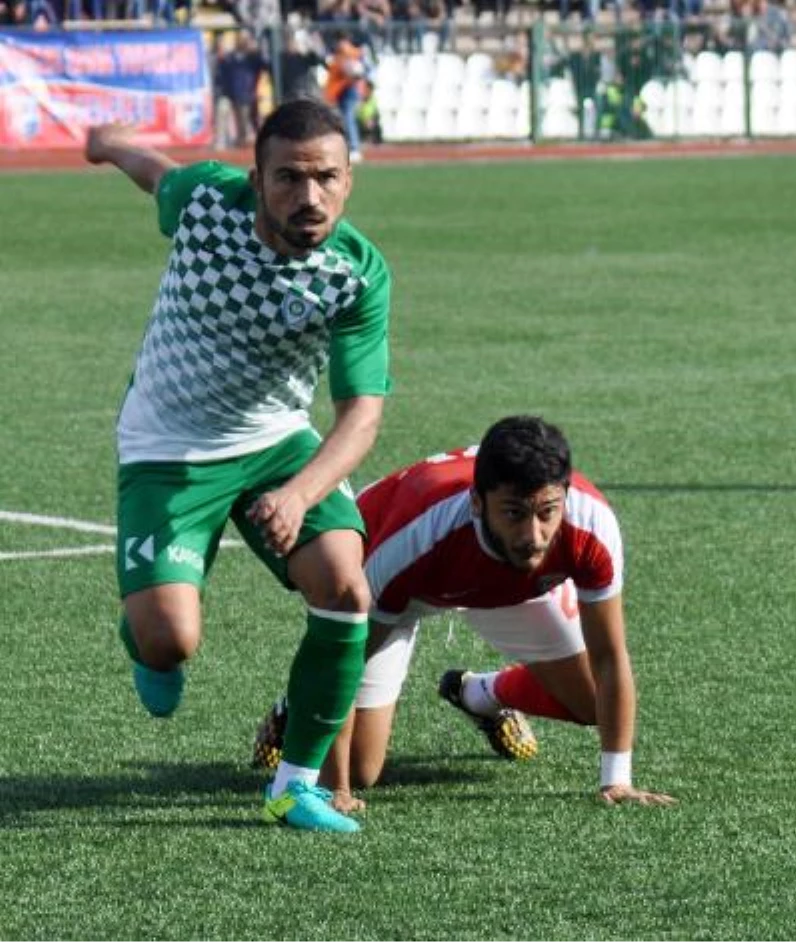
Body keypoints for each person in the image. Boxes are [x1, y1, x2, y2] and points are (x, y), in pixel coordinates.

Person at [84, 97, 393, 834]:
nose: (308, 196)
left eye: (326, 177)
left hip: (276, 441)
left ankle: (295, 785)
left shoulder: (357, 273)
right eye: (287, 178)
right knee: (169, 639)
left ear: (350, 179)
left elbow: (361, 416)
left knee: (347, 588)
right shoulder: (205, 202)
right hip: (170, 443)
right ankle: (148, 645)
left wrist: (299, 492)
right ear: (255, 180)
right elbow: (155, 173)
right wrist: (110, 143)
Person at [252, 416, 676, 811]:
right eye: (514, 513)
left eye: (548, 512)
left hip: (514, 587)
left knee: (593, 704)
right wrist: (335, 789)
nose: (534, 535)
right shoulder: (415, 539)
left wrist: (616, 781)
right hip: (401, 589)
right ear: (477, 503)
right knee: (362, 771)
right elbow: (346, 657)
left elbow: (609, 655)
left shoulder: (592, 525)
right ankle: (299, 703)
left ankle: (480, 694)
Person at [325, 32, 367, 163]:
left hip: (349, 90)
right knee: (344, 119)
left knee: (348, 118)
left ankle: (354, 148)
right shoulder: (342, 56)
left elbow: (357, 72)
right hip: (342, 91)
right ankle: (349, 147)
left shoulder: (350, 54)